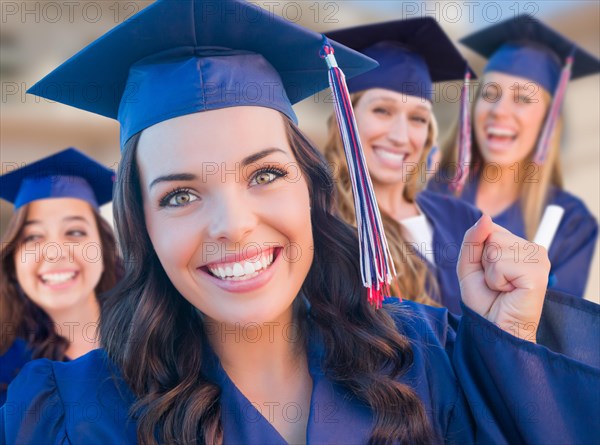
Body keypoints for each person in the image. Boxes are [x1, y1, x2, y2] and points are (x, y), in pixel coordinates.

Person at [2, 1, 599, 444]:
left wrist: (509, 349)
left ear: (313, 191)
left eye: (264, 175)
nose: (233, 226)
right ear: (142, 229)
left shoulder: (430, 358)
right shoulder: (73, 414)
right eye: (180, 195)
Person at [430, 15, 599, 298]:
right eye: (490, 93)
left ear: (548, 121)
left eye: (521, 98)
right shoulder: (429, 191)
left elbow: (552, 335)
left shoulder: (572, 224)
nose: (499, 110)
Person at [323, 18, 481, 313]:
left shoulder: (464, 218)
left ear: (429, 132)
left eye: (418, 118)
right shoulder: (321, 227)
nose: (400, 136)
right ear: (346, 116)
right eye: (383, 110)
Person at [0, 148, 120, 405]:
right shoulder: (6, 368)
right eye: (33, 237)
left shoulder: (159, 343)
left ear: (104, 246)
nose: (54, 253)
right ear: (14, 258)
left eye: (75, 232)